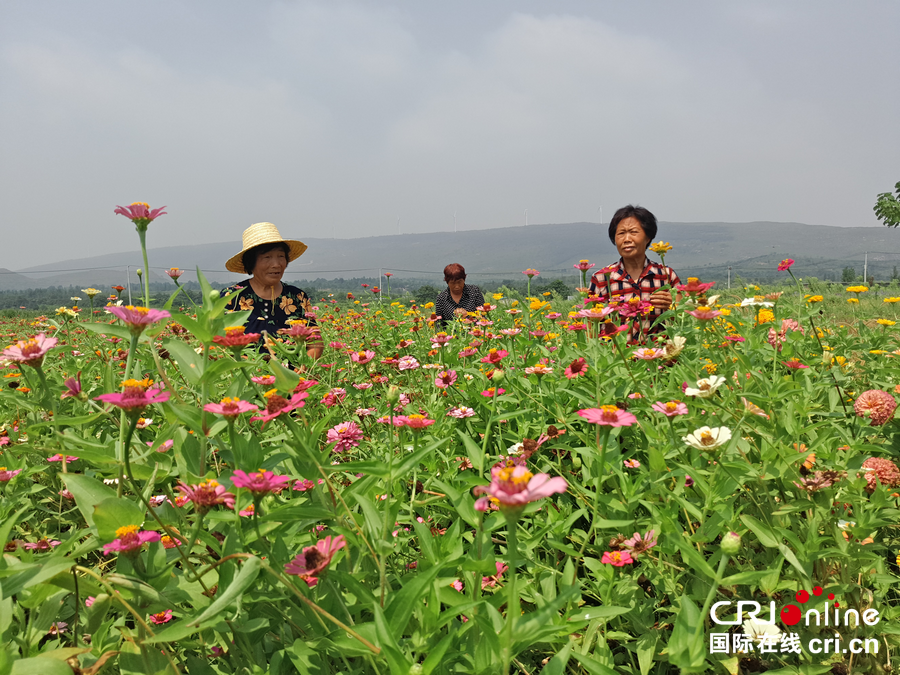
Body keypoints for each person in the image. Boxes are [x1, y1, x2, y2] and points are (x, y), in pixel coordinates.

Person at [222, 222, 323, 359]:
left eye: (281, 256)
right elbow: (214, 344)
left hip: (293, 377)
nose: (276, 264)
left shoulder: (297, 297)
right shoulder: (231, 297)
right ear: (251, 263)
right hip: (246, 376)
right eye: (267, 257)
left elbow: (315, 342)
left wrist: (305, 367)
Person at [588, 205, 680, 344]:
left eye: (633, 232)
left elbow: (683, 321)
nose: (626, 239)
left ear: (648, 237)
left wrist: (672, 307)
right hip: (618, 360)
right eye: (621, 233)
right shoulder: (601, 279)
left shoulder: (666, 276)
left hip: (659, 359)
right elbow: (591, 329)